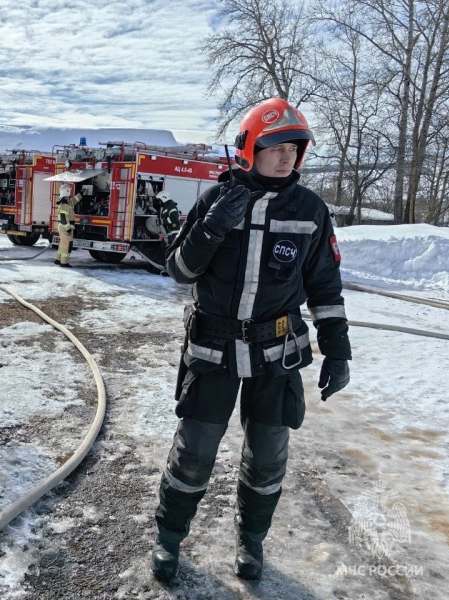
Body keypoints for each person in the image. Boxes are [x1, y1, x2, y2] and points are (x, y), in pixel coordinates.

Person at [151, 98, 351, 582]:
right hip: (213, 351)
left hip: (275, 356)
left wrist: (338, 347)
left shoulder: (310, 210)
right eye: (276, 146)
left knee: (267, 456)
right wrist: (213, 227)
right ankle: (169, 539)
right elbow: (178, 270)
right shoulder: (216, 198)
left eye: (295, 148)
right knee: (194, 450)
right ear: (250, 148)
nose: (287, 157)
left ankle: (251, 542)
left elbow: (324, 283)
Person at [54, 184, 79, 267]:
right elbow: (64, 218)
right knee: (67, 245)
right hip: (65, 227)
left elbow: (74, 201)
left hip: (63, 227)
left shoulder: (66, 202)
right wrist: (68, 228)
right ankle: (64, 262)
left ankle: (58, 259)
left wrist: (81, 193)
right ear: (67, 192)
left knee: (63, 244)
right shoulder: (64, 205)